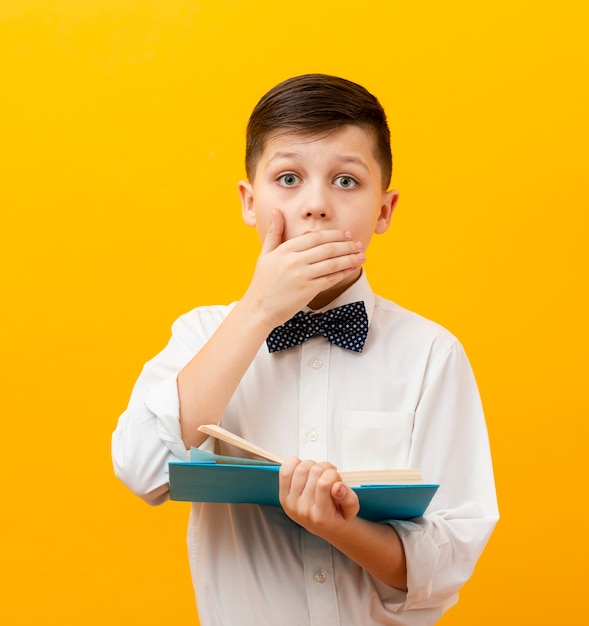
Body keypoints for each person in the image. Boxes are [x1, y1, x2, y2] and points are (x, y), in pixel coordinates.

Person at [112, 73, 498, 625]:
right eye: (288, 178)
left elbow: (446, 560)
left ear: (384, 211)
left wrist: (338, 525)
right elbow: (143, 468)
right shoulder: (202, 335)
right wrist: (260, 310)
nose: (316, 206)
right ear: (250, 202)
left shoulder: (432, 354)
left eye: (346, 181)